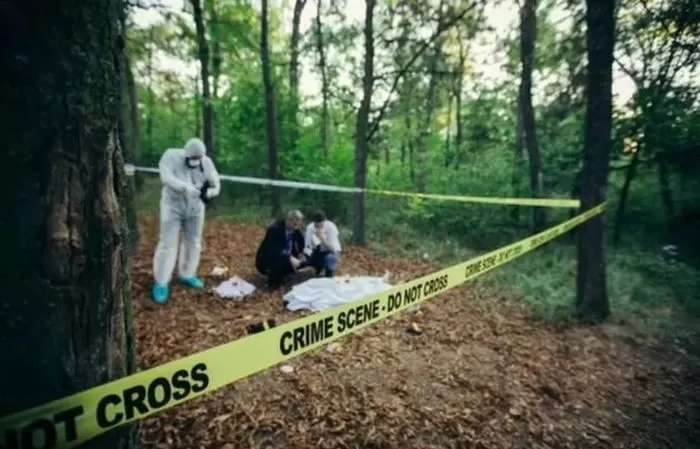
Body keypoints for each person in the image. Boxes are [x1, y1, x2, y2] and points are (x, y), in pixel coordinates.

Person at [151, 138, 220, 303]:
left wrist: (209, 193)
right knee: (167, 243)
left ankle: (187, 273)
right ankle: (161, 281)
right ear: (186, 154)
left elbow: (216, 183)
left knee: (194, 241)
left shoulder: (206, 163)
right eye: (192, 158)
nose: (195, 162)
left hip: (196, 207)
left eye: (198, 159)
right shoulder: (171, 156)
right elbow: (166, 178)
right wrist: (185, 187)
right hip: (172, 205)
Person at [255, 210, 306, 288]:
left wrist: (301, 254)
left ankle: (292, 274)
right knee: (274, 285)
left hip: (287, 259)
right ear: (287, 220)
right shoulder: (274, 229)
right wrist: (289, 257)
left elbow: (301, 244)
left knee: (306, 261)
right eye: (294, 223)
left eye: (298, 223)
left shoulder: (296, 231)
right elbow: (273, 249)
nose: (296, 225)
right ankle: (275, 275)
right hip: (270, 260)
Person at [303, 210, 341, 277]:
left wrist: (321, 237)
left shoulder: (331, 227)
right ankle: (315, 272)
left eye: (321, 224)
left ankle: (329, 275)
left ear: (324, 221)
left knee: (330, 258)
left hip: (331, 251)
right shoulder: (310, 227)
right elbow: (307, 246)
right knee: (308, 268)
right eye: (316, 225)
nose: (318, 226)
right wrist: (308, 256)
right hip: (317, 251)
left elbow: (332, 248)